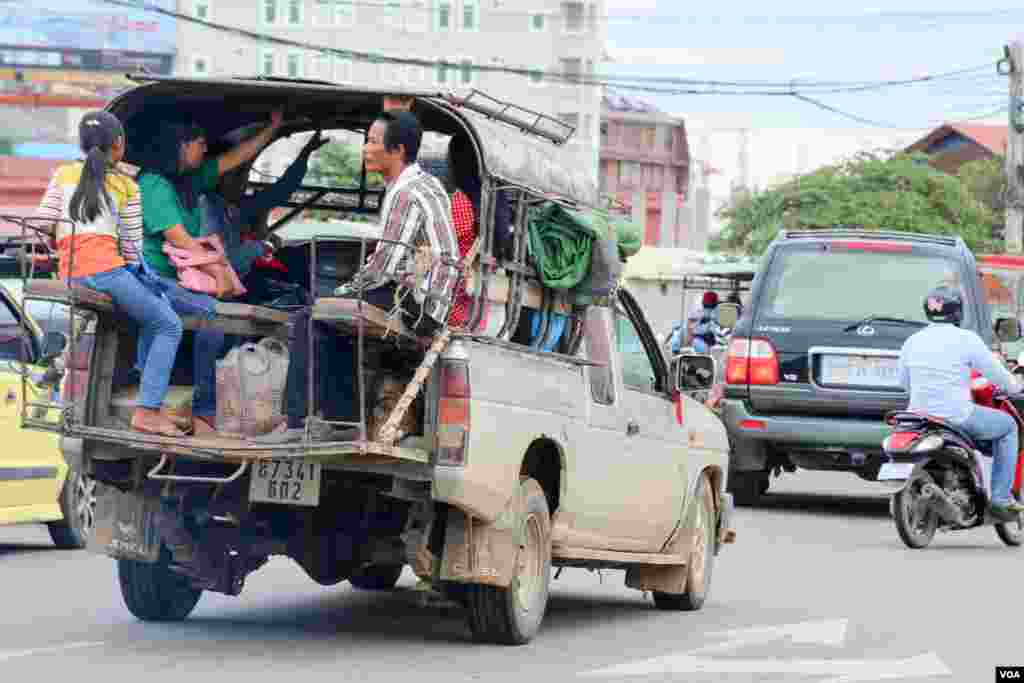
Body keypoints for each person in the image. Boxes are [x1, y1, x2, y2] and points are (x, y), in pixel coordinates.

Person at [259, 110, 459, 443]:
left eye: (374, 142)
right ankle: (341, 422)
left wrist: (340, 291)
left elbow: (384, 266)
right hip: (428, 298)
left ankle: (295, 423)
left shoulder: (405, 192)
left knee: (311, 315)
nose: (366, 148)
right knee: (336, 319)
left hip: (418, 303)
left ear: (397, 152)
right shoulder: (422, 182)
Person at [35, 111, 185, 437]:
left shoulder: (62, 174)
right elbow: (132, 249)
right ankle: (147, 410)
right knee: (168, 324)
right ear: (118, 145)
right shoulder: (126, 185)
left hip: (72, 273)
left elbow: (44, 222)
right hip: (106, 273)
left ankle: (146, 394)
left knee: (150, 313)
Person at [137, 110, 284, 436]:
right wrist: (219, 271)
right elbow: (180, 239)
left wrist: (271, 129)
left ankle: (206, 408)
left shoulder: (190, 179)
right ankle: (200, 411)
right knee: (212, 319)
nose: (205, 150)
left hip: (182, 279)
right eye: (200, 143)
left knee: (219, 323)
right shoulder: (154, 184)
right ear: (181, 146)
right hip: (155, 280)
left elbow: (235, 158)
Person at [897, 285, 1024, 518]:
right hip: (957, 416)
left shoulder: (912, 341)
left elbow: (904, 383)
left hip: (918, 416)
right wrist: (1015, 386)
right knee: (1008, 427)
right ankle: (1001, 498)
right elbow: (996, 374)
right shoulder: (966, 339)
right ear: (958, 311)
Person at [201, 129, 330, 279]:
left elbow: (282, 189)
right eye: (238, 174)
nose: (244, 181)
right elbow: (227, 259)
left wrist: (305, 154)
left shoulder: (242, 205)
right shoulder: (207, 207)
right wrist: (261, 247)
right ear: (221, 177)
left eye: (245, 174)